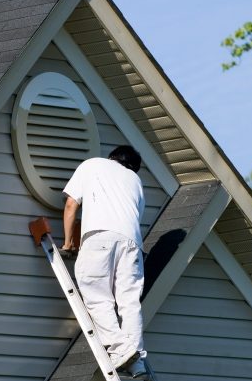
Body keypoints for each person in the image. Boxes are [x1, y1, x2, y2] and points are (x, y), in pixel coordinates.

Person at [61, 145, 147, 378]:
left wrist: (68, 243)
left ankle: (121, 350)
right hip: (132, 243)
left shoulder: (92, 164)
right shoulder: (135, 181)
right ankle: (137, 362)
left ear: (113, 157)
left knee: (97, 296)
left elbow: (71, 205)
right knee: (129, 302)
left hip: (100, 236)